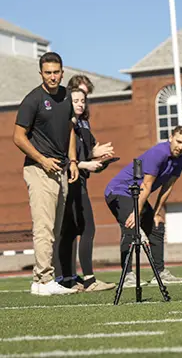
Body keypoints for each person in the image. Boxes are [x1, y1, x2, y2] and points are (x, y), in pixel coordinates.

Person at [13, 52, 80, 296]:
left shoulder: (66, 98)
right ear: (41, 73)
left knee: (54, 228)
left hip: (60, 169)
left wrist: (72, 160)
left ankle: (39, 281)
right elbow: (18, 137)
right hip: (38, 169)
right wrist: (42, 160)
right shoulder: (33, 100)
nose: (52, 76)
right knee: (43, 227)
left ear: (63, 72)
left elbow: (70, 130)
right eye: (48, 72)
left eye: (56, 72)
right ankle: (44, 281)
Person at [104, 126, 182, 287]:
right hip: (118, 191)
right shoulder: (158, 153)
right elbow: (147, 184)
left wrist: (157, 212)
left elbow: (168, 187)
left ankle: (160, 273)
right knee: (131, 226)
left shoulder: (181, 159)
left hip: (138, 195)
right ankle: (127, 275)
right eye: (178, 142)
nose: (181, 147)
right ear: (171, 137)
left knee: (157, 227)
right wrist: (136, 213)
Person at [58, 88, 116, 292]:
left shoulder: (83, 125)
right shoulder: (64, 125)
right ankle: (84, 279)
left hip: (80, 181)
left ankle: (70, 279)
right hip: (68, 182)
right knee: (83, 229)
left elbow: (86, 154)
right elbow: (61, 159)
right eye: (76, 101)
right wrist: (85, 164)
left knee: (73, 230)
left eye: (83, 100)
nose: (80, 104)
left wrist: (98, 158)